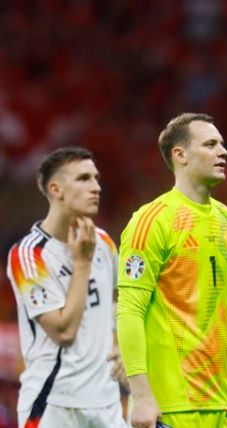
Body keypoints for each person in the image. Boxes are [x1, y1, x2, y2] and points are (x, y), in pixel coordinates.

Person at [116, 113, 227, 428]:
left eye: (223, 144)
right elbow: (129, 310)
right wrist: (142, 396)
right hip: (170, 408)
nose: (223, 151)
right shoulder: (152, 220)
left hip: (224, 408)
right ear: (181, 155)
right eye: (211, 144)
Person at [6, 146, 127, 428]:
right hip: (54, 405)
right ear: (56, 189)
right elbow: (63, 331)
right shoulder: (28, 256)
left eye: (97, 178)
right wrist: (81, 264)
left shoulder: (105, 242)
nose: (96, 187)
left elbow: (120, 299)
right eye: (84, 179)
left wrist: (122, 343)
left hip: (106, 402)